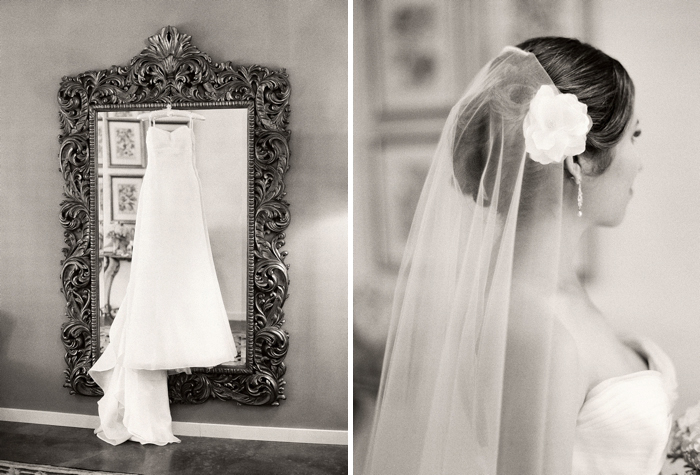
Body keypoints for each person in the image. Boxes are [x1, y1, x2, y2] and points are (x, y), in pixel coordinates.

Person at [363, 37, 677, 475]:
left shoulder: (554, 293)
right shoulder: (536, 332)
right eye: (634, 136)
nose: (639, 162)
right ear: (579, 160)